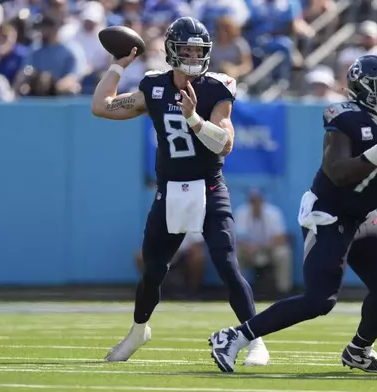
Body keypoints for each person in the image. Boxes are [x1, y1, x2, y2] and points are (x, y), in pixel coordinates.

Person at [209, 55, 377, 373]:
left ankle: (359, 350)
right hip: (330, 214)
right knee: (319, 300)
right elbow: (337, 173)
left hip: (364, 215)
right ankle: (234, 337)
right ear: (362, 90)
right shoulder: (345, 118)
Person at [90, 16, 269, 366]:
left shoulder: (218, 87)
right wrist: (116, 65)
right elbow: (102, 106)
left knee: (227, 263)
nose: (192, 54)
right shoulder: (154, 87)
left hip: (209, 187)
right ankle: (139, 329)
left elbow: (226, 143)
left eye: (198, 49)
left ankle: (256, 338)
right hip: (170, 189)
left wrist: (194, 119)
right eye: (186, 48)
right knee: (153, 269)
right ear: (172, 50)